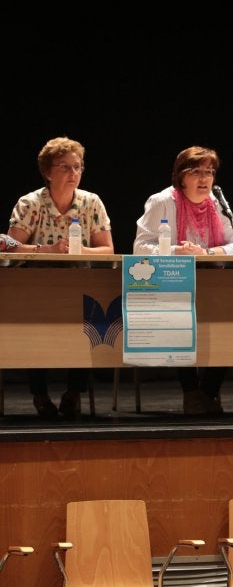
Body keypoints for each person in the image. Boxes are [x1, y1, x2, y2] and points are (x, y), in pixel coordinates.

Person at [133, 145, 233, 416]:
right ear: (181, 177)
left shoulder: (217, 203)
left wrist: (207, 253)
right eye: (196, 172)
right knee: (180, 319)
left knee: (232, 323)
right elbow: (140, 247)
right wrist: (177, 252)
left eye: (209, 172)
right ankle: (191, 392)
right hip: (172, 285)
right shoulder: (162, 201)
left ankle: (206, 392)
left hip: (214, 286)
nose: (204, 179)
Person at [7, 136, 114, 418]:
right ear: (47, 171)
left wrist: (82, 250)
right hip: (36, 285)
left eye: (77, 167)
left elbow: (108, 249)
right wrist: (48, 249)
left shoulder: (91, 202)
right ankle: (40, 395)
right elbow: (8, 246)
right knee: (35, 330)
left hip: (80, 285)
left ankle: (73, 392)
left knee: (88, 326)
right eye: (65, 167)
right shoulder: (31, 203)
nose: (73, 173)